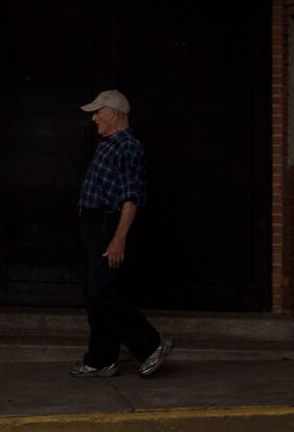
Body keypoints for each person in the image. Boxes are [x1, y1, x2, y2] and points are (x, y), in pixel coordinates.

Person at [70, 89, 172, 379]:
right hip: (94, 225)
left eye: (98, 112)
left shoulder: (127, 146)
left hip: (107, 225)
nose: (94, 118)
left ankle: (151, 344)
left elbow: (131, 198)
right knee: (95, 293)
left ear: (114, 113)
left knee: (101, 290)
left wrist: (118, 238)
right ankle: (101, 359)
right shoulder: (110, 144)